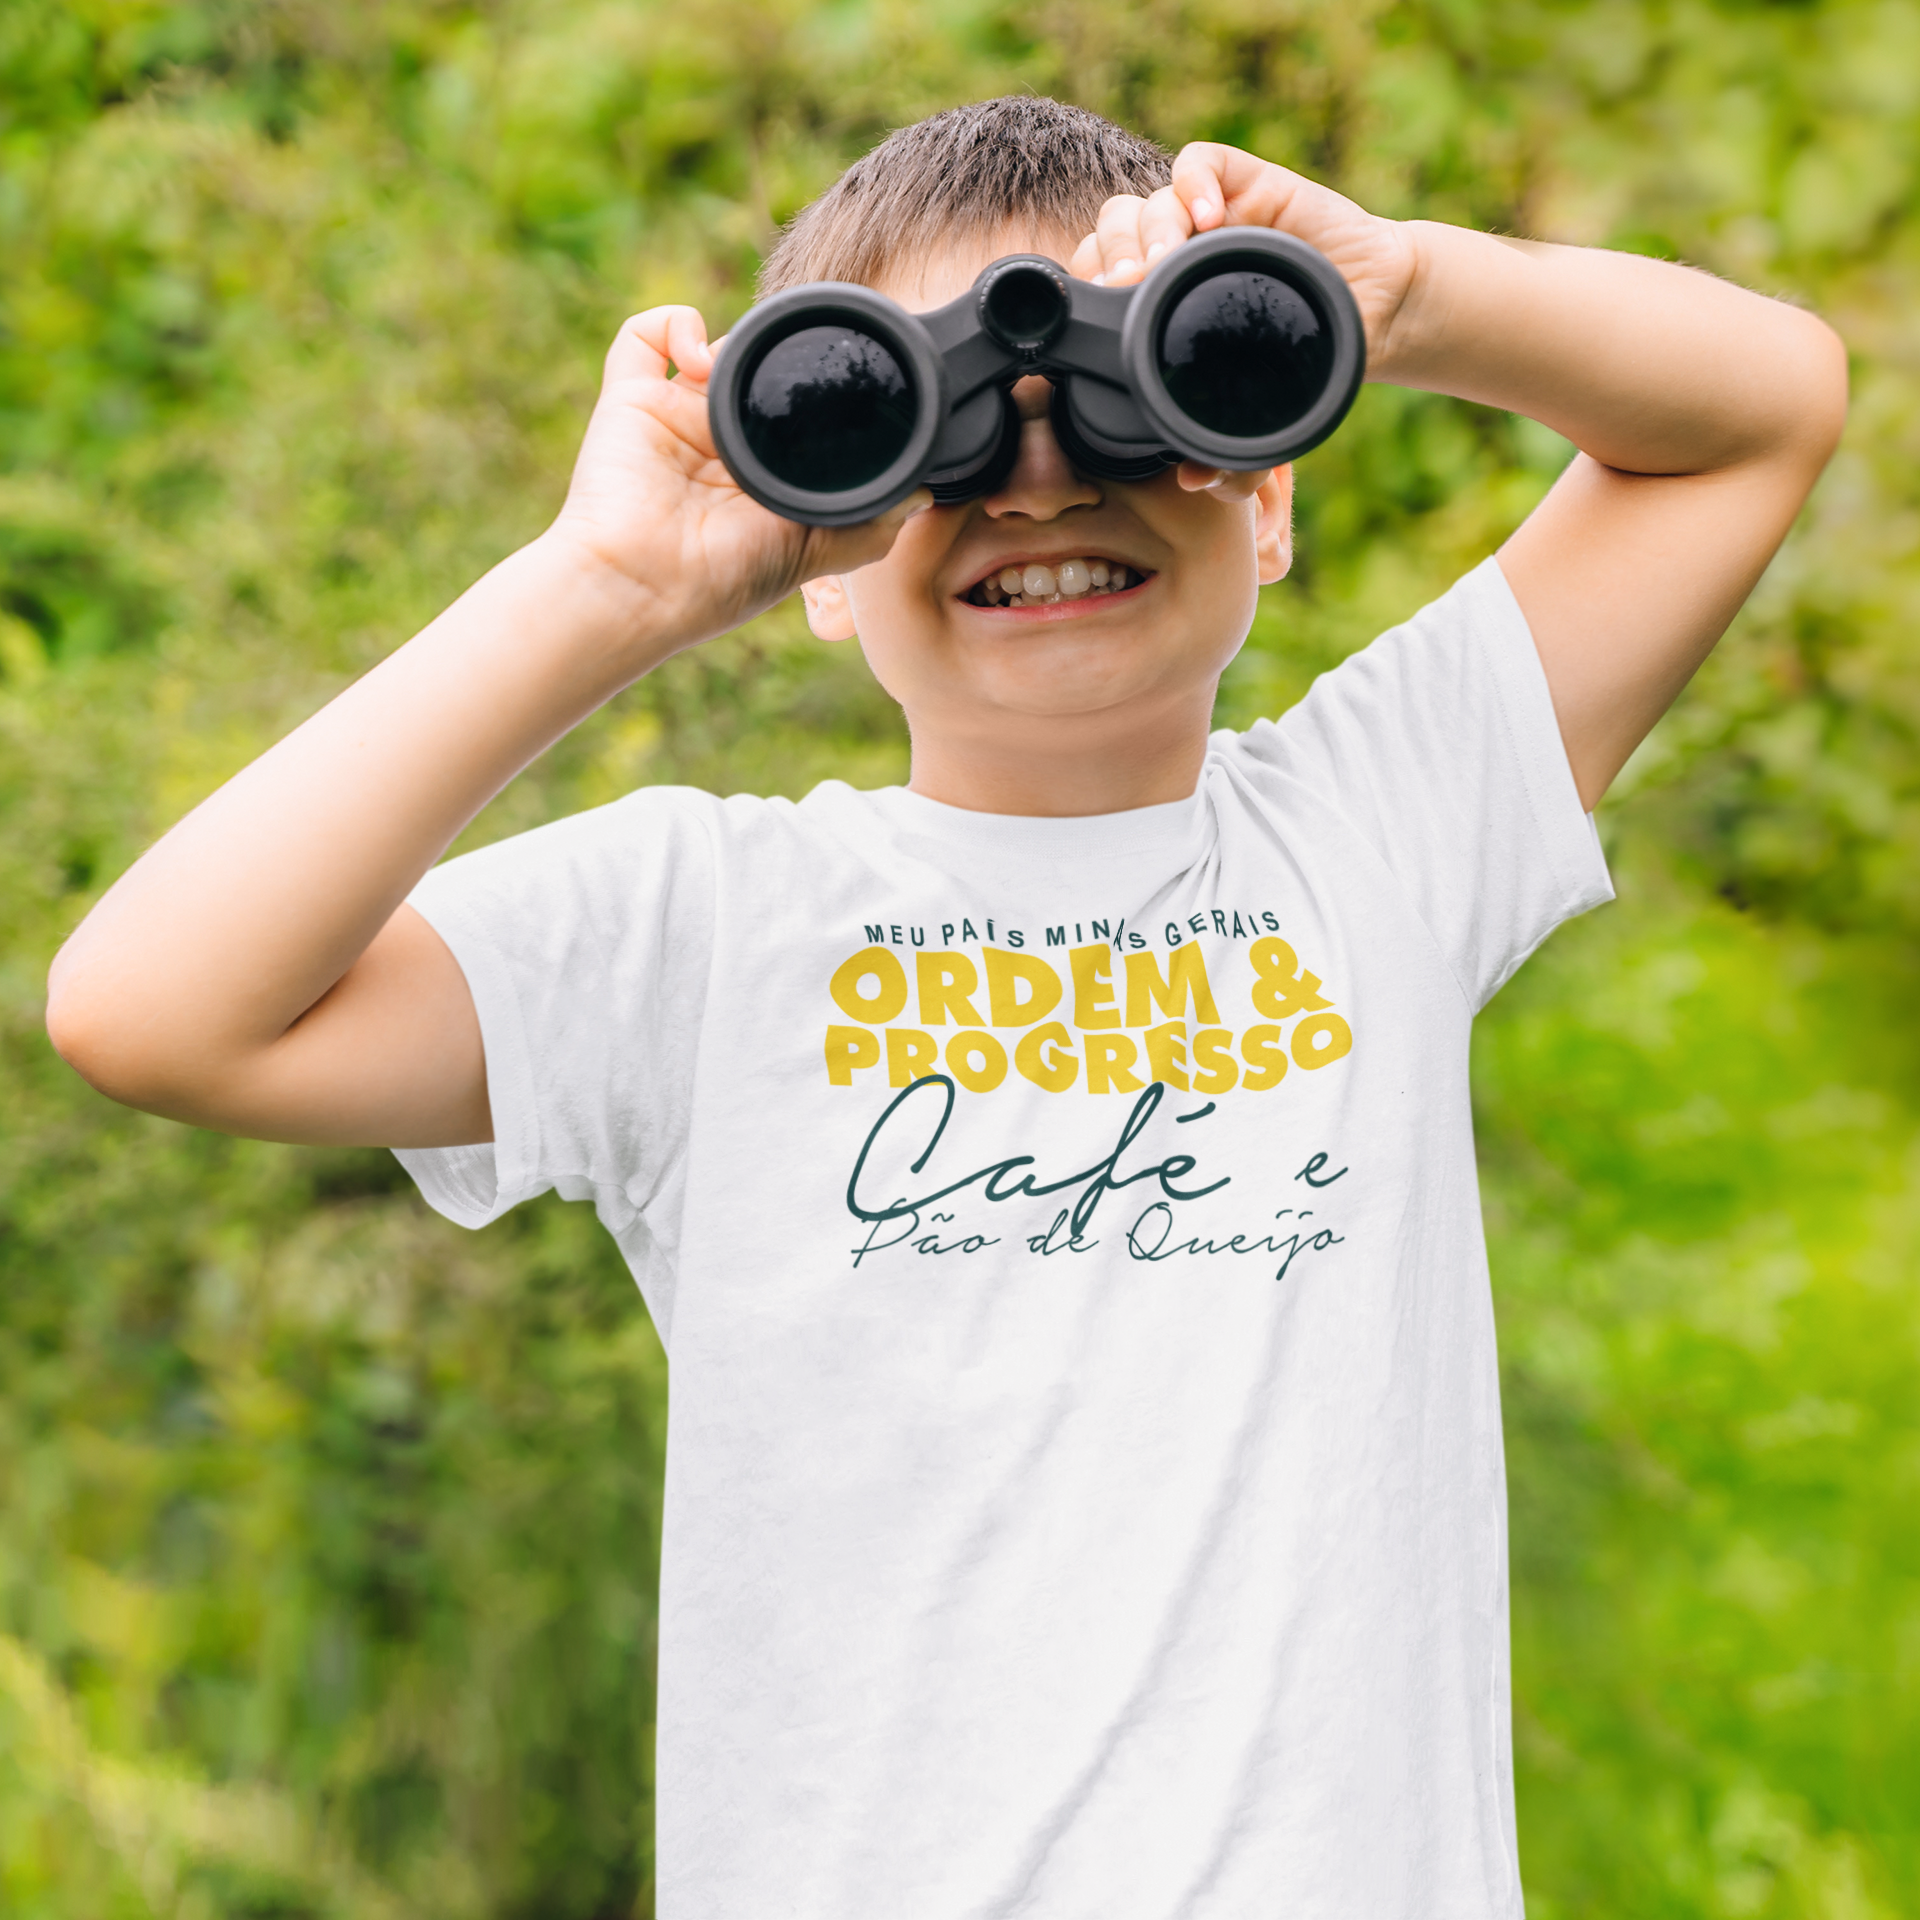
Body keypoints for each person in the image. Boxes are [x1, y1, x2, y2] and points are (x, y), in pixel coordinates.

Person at [46, 95, 1845, 1918]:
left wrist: (1407, 292)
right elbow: (158, 1008)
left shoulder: (1381, 825)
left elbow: (1761, 407)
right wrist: (611, 585)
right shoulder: (706, 924)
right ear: (812, 550)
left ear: (1271, 482)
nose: (1044, 481)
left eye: (1158, 397)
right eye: (930, 437)